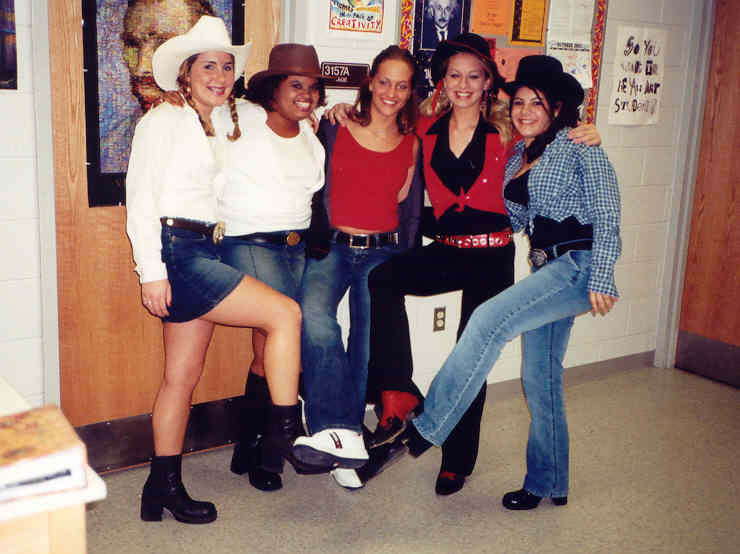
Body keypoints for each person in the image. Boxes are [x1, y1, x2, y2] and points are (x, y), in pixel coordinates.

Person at [363, 34, 602, 496]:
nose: (464, 84)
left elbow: (553, 134)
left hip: (492, 255)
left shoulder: (508, 130)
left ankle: (457, 460)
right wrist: (338, 112)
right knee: (383, 279)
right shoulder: (425, 126)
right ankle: (398, 388)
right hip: (448, 248)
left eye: (474, 75)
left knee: (470, 350)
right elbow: (379, 117)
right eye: (455, 74)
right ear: (442, 80)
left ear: (489, 81)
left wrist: (590, 131)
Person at [125, 16, 328, 524]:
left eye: (226, 67)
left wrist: (328, 115)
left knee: (180, 378)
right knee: (284, 315)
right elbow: (140, 199)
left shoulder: (219, 121)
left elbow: (286, 112)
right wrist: (151, 272)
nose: (219, 76)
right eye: (208, 66)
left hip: (205, 248)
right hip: (179, 252)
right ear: (186, 73)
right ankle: (286, 429)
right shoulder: (162, 121)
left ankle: (161, 487)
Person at [295, 45, 423, 486]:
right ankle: (335, 428)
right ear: (370, 80)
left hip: (381, 252)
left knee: (366, 341)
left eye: (401, 85)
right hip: (333, 246)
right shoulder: (336, 124)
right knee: (315, 318)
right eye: (384, 81)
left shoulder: (412, 142)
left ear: (410, 92)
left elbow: (408, 207)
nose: (391, 92)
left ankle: (346, 437)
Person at [215, 43, 330, 492]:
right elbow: (194, 113)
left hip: (295, 248)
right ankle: (271, 453)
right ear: (273, 88)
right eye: (295, 85)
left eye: (313, 87)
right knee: (288, 336)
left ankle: (248, 447)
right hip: (249, 242)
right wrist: (173, 95)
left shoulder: (310, 135)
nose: (306, 95)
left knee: (269, 349)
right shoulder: (238, 117)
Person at [99, 0, 216, 174]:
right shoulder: (111, 150)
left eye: (163, 46)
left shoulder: (235, 135)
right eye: (133, 46)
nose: (141, 69)